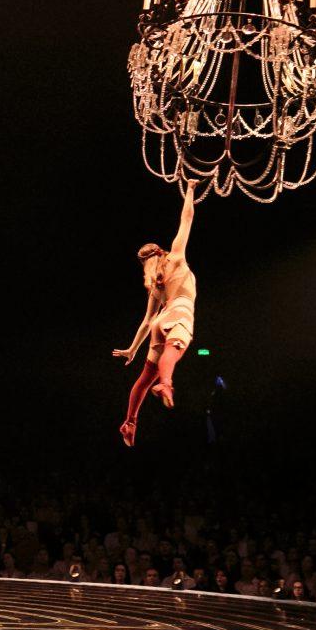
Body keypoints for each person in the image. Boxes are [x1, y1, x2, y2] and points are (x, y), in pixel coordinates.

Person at [113, 185, 197, 446]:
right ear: (160, 251)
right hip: (179, 310)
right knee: (179, 342)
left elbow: (149, 321)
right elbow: (187, 219)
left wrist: (132, 349)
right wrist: (191, 190)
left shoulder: (155, 287)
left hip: (161, 321)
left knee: (144, 379)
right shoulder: (176, 258)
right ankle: (167, 383)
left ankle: (130, 422)